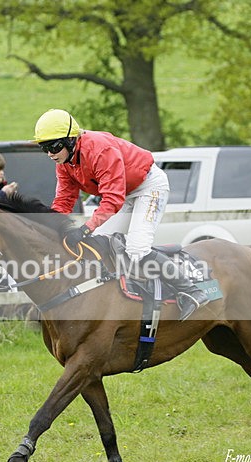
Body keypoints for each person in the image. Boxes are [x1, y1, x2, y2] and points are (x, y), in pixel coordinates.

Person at [33, 108, 208, 320]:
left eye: (54, 146)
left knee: (137, 249)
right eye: (44, 148)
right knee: (100, 244)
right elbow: (64, 200)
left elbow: (112, 199)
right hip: (124, 193)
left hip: (148, 187)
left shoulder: (99, 150)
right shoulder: (65, 163)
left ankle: (191, 290)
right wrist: (49, 228)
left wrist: (86, 228)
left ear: (71, 140)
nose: (50, 153)